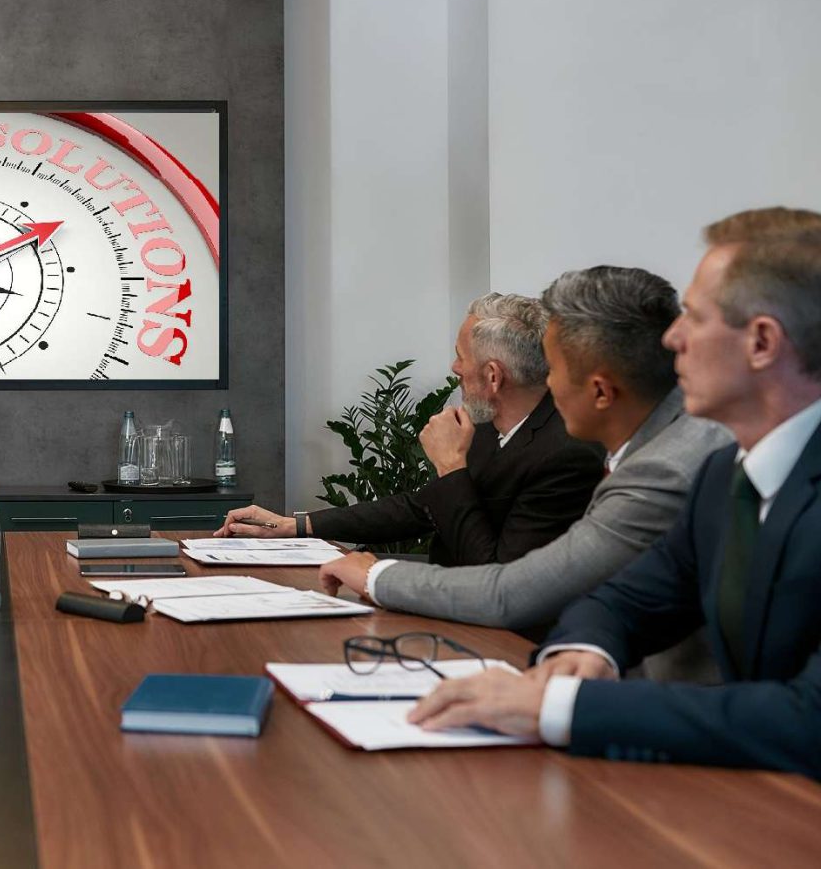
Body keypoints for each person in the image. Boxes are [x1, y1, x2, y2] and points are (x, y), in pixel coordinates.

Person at [409, 209, 821, 779]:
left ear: (762, 342)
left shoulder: (697, 464)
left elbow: (808, 718)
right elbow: (625, 601)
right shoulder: (727, 471)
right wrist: (586, 652)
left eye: (694, 319)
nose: (672, 339)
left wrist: (561, 705)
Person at [317, 267, 731, 678]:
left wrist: (376, 574)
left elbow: (512, 592)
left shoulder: (666, 468)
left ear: (602, 392)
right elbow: (617, 596)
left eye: (551, 371)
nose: (543, 384)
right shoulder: (666, 432)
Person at [219, 294, 604, 567]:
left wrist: (451, 468)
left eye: (460, 355)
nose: (454, 368)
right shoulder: (488, 426)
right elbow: (419, 507)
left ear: (492, 376)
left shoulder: (566, 454)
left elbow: (497, 575)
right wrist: (295, 526)